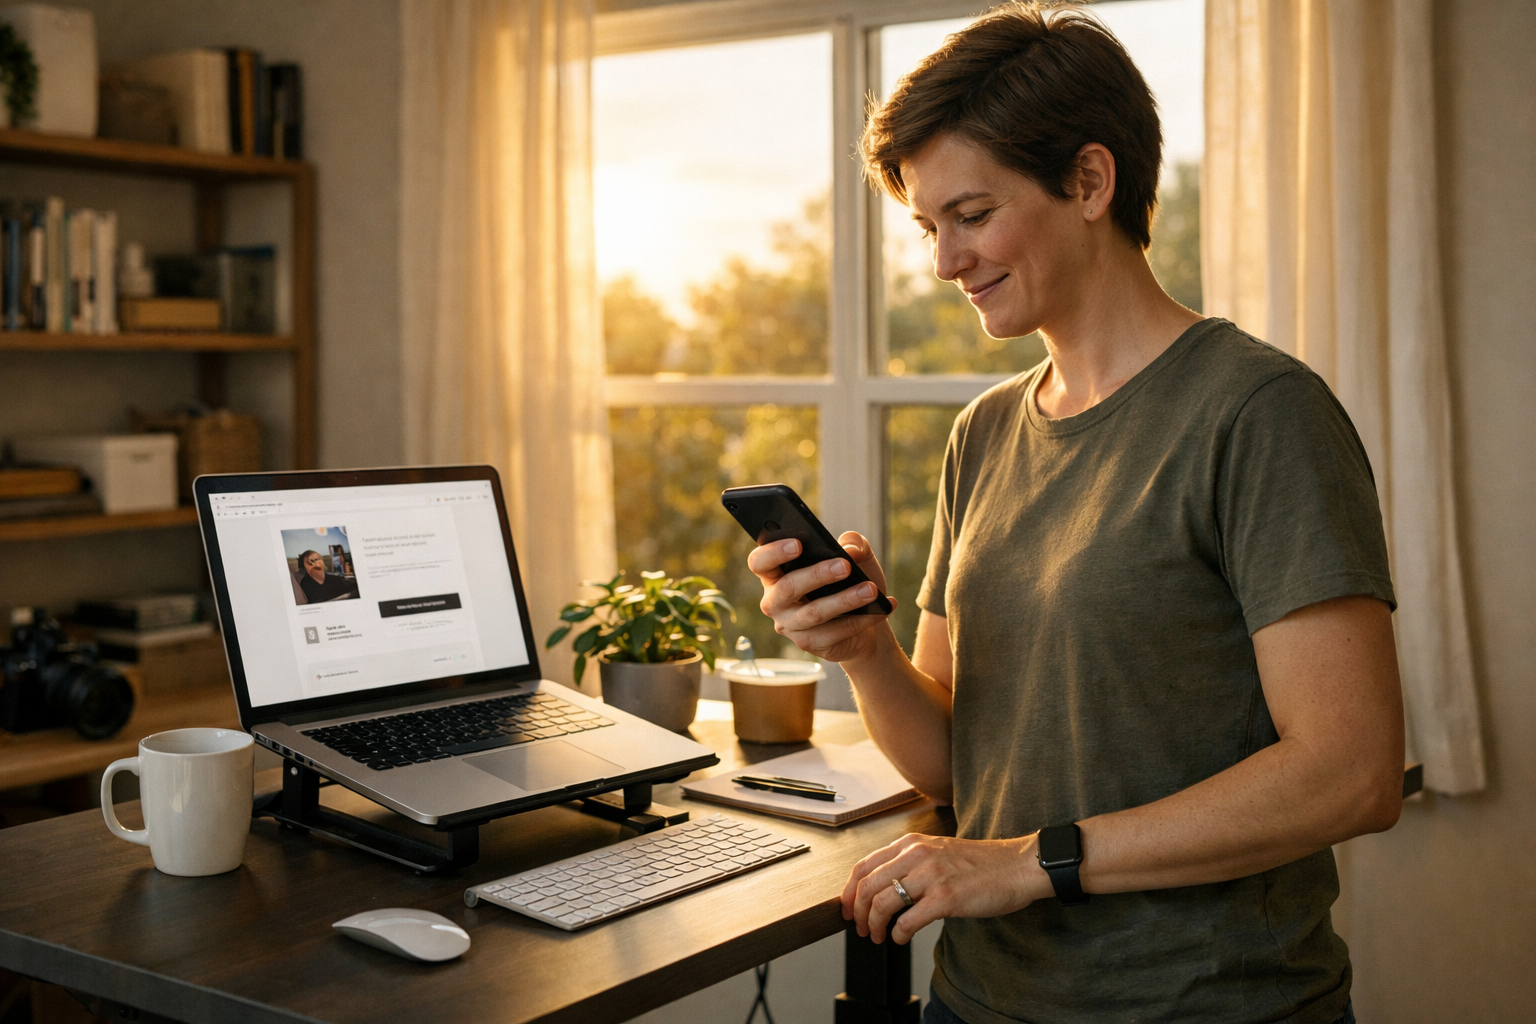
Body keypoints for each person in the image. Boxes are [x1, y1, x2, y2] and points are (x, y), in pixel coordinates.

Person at [747, 5, 1402, 1023]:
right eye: (929, 227)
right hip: (982, 999)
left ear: (1090, 181)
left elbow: (1351, 773)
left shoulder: (1259, 412)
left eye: (971, 214)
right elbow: (959, 762)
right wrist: (864, 650)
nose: (943, 262)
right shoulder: (985, 432)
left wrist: (1029, 862)